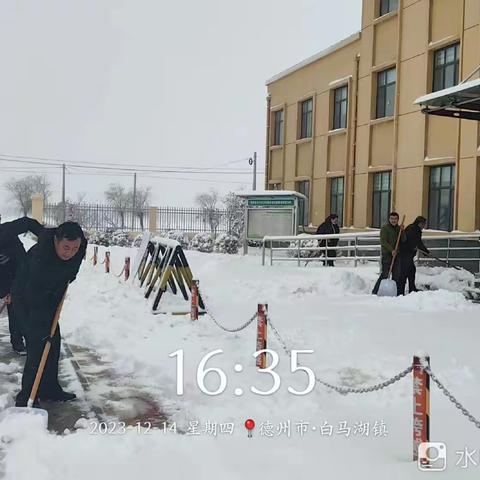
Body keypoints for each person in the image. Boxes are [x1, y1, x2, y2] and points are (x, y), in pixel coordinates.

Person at [13, 221, 87, 407]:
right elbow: (33, 293)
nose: (69, 253)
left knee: (53, 344)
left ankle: (49, 389)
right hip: (27, 300)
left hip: (50, 296)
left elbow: (73, 266)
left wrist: (69, 275)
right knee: (37, 346)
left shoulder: (80, 247)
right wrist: (39, 326)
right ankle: (26, 397)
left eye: (74, 248)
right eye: (66, 248)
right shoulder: (40, 258)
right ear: (56, 240)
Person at [0, 217, 44, 354]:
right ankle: (18, 343)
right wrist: (5, 291)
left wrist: (46, 237)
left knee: (26, 308)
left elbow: (27, 222)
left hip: (23, 271)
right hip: (8, 278)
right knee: (15, 308)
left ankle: (30, 341)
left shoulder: (5, 231)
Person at [372, 212, 403, 295]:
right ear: (389, 219)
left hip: (397, 254)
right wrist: (391, 250)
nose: (393, 220)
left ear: (398, 220)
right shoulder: (385, 228)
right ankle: (375, 291)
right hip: (387, 254)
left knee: (396, 274)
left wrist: (402, 231)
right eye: (392, 219)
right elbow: (383, 242)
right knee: (385, 274)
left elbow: (403, 240)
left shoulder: (399, 229)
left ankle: (394, 292)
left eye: (395, 219)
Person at [397, 216, 429, 295]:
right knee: (404, 273)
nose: (424, 226)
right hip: (405, 254)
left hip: (409, 254)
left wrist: (425, 252)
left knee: (411, 271)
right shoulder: (413, 229)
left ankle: (412, 288)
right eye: (423, 224)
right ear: (419, 223)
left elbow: (417, 242)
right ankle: (400, 292)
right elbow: (417, 242)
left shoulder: (414, 228)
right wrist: (425, 252)